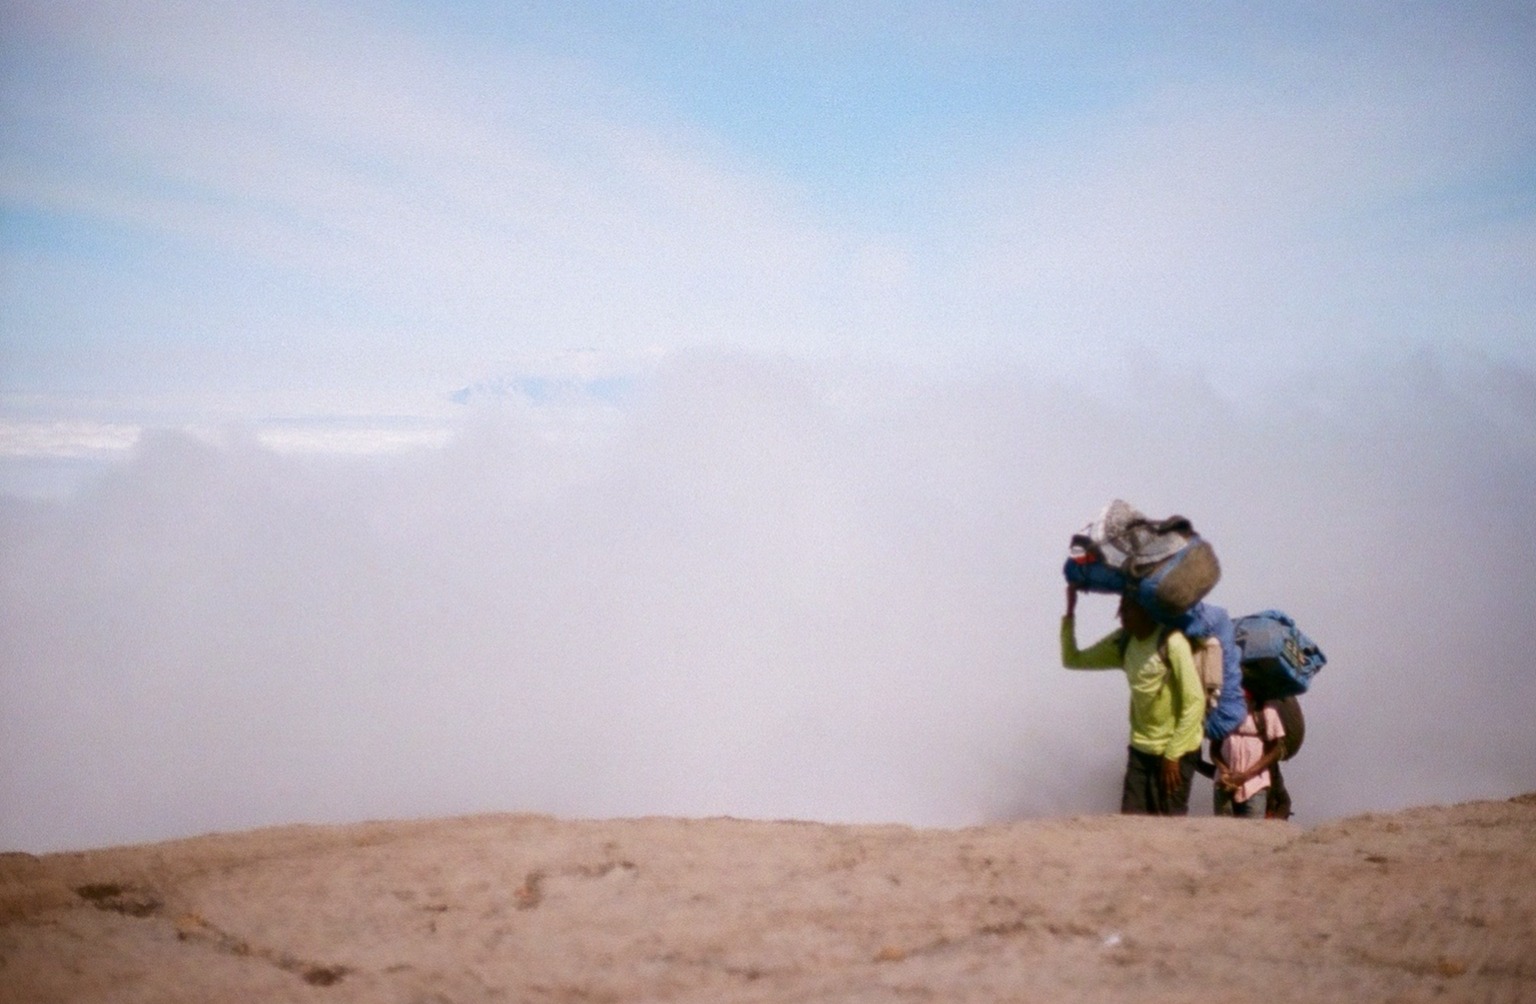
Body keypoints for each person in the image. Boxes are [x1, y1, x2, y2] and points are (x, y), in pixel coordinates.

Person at [1061, 585, 1205, 815]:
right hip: (1141, 749)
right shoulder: (1123, 641)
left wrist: (1173, 754)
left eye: (1128, 609)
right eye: (1121, 608)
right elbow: (1073, 659)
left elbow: (1195, 700)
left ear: (1147, 611)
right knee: (1131, 822)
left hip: (1177, 750)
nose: (1121, 615)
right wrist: (1070, 612)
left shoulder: (1172, 642)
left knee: (1169, 825)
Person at [1212, 689, 1285, 819]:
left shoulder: (1267, 713)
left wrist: (1246, 775)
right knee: (1223, 829)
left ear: (1253, 701)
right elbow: (1214, 749)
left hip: (1255, 784)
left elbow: (1274, 750)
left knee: (1253, 829)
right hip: (1224, 783)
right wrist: (1224, 771)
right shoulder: (1223, 713)